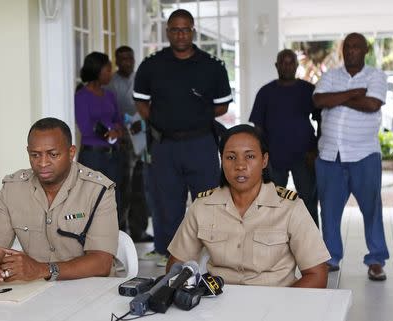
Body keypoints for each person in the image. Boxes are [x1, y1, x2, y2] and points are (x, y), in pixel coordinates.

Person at [166, 124, 330, 288]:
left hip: (274, 303)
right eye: (231, 157)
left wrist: (280, 308)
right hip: (218, 303)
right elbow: (175, 269)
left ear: (264, 160)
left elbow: (317, 275)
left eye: (250, 156)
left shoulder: (290, 208)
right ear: (221, 160)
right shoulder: (202, 206)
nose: (240, 166)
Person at [133, 9, 232, 266]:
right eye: (175, 29)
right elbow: (141, 103)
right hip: (165, 146)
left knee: (209, 201)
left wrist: (194, 113)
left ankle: (213, 256)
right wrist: (161, 121)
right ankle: (173, 259)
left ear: (193, 31)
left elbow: (222, 106)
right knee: (168, 205)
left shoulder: (212, 66)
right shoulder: (152, 65)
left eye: (185, 29)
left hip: (200, 144)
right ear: (168, 32)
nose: (180, 34)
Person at [0, 118, 119, 287]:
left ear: (71, 152)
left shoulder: (98, 190)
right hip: (37, 291)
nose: (42, 163)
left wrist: (43, 270)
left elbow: (101, 263)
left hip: (89, 291)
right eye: (35, 155)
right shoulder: (12, 190)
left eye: (53, 154)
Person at [313, 33, 389, 280]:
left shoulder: (376, 76)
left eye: (357, 46)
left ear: (365, 50)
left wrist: (338, 99)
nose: (351, 50)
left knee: (372, 210)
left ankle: (376, 259)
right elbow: (319, 99)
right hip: (330, 154)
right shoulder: (330, 75)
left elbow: (372, 105)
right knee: (329, 211)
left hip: (364, 154)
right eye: (348, 46)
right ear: (343, 50)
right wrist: (353, 93)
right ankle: (331, 257)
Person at [249, 49, 320, 226]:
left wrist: (316, 149)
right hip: (274, 157)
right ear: (276, 65)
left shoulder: (308, 90)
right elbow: (257, 128)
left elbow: (323, 120)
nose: (287, 66)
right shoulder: (265, 92)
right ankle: (273, 245)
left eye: (291, 62)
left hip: (305, 156)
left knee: (308, 203)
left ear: (297, 66)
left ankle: (311, 247)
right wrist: (262, 156)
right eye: (283, 62)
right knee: (272, 204)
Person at [105, 46, 153, 243]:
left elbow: (150, 106)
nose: (126, 62)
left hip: (142, 141)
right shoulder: (110, 84)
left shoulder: (141, 79)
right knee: (123, 188)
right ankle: (120, 230)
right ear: (116, 61)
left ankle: (139, 230)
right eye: (122, 58)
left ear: (134, 59)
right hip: (122, 144)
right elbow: (107, 115)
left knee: (140, 187)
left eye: (129, 58)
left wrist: (140, 123)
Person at [75, 52, 123, 227]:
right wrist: (108, 133)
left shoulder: (110, 95)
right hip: (93, 157)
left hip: (113, 156)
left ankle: (113, 241)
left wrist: (117, 130)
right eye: (108, 69)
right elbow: (86, 128)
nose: (111, 73)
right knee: (91, 199)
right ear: (97, 70)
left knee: (114, 199)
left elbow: (118, 120)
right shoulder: (81, 96)